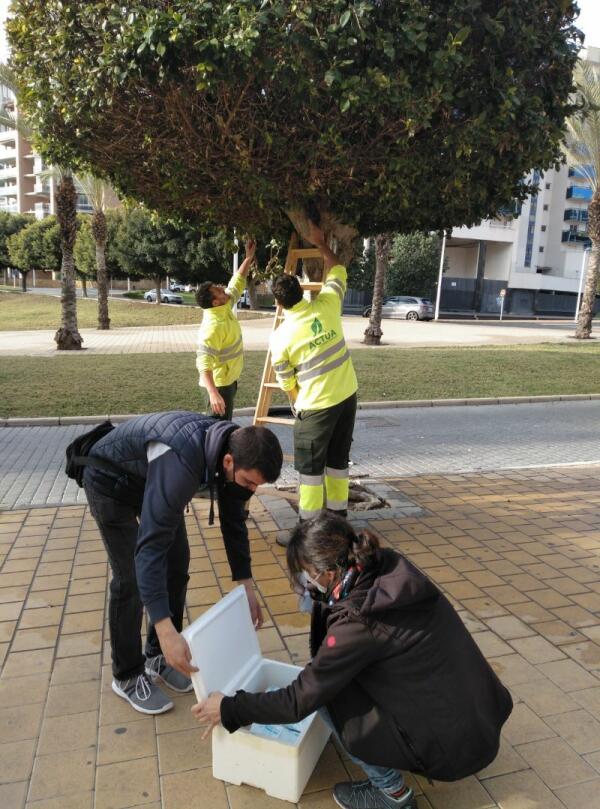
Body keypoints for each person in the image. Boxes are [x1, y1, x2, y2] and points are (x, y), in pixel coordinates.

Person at [192, 512, 513, 809]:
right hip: (476, 719)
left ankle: (392, 794)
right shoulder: (383, 565)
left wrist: (228, 708)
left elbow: (299, 700)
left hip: (453, 748)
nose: (301, 585)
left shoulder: (358, 622)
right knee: (328, 676)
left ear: (328, 572)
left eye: (304, 576)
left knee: (324, 694)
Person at [82, 411, 283, 715]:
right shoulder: (182, 464)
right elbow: (149, 549)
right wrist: (166, 630)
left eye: (257, 486)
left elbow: (235, 522)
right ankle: (127, 675)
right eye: (249, 482)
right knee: (132, 578)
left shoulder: (232, 450)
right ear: (229, 462)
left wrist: (247, 587)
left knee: (177, 564)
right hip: (109, 483)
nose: (251, 490)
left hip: (147, 480)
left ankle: (156, 657)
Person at [270, 223, 357, 542]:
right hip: (346, 397)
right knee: (337, 464)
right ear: (302, 289)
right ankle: (339, 525)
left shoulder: (281, 338)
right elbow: (337, 269)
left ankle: (308, 534)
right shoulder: (329, 303)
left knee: (309, 473)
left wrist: (297, 405)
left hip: (316, 409)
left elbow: (286, 382)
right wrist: (322, 244)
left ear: (279, 303)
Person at [196, 239, 256, 420]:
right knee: (217, 434)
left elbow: (236, 283)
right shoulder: (212, 327)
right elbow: (203, 364)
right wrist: (214, 394)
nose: (223, 289)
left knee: (223, 430)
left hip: (228, 381)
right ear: (215, 302)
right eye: (218, 291)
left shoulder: (224, 307)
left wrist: (248, 258)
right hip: (219, 386)